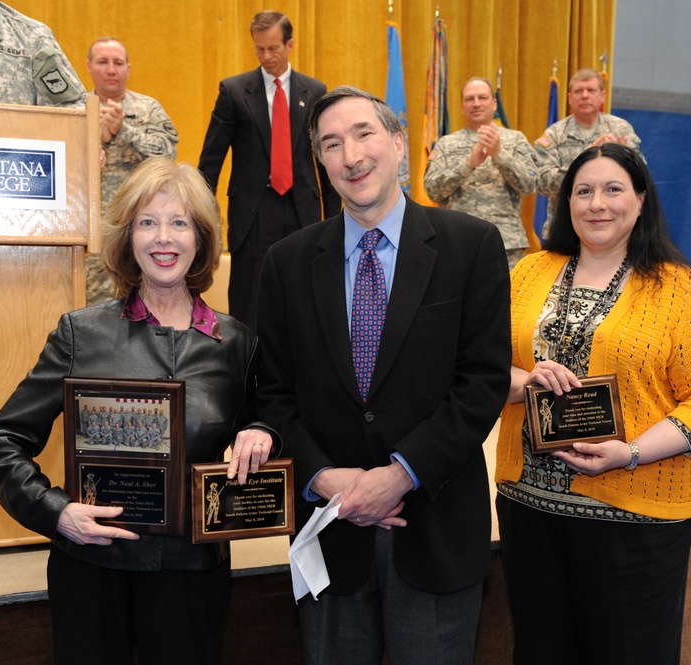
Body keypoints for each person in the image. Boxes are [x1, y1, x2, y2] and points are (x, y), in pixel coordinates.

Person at [0, 157, 277, 664]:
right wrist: (57, 513)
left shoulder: (237, 342)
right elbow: (2, 441)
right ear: (128, 238)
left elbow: (269, 417)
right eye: (148, 222)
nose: (164, 238)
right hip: (93, 567)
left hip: (192, 572)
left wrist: (264, 429)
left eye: (180, 223)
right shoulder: (81, 333)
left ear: (201, 239)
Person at [256, 86, 511, 664]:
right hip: (330, 533)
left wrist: (398, 475)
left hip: (434, 527)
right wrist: (324, 480)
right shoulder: (287, 262)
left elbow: (483, 384)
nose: (351, 155)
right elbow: (271, 393)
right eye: (331, 144)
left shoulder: (470, 246)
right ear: (321, 164)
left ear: (398, 144)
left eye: (364, 133)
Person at [495, 143, 691, 664]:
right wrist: (521, 381)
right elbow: (473, 363)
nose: (597, 204)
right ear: (566, 203)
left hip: (633, 520)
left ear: (640, 199)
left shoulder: (679, 289)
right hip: (530, 511)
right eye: (583, 191)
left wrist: (631, 452)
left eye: (613, 189)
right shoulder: (528, 273)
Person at [198, 9, 341, 328]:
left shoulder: (315, 91)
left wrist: (334, 222)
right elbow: (211, 161)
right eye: (259, 48)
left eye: (273, 48)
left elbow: (327, 159)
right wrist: (203, 219)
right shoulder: (234, 91)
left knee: (304, 302)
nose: (266, 56)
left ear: (290, 45)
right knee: (249, 306)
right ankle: (247, 375)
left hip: (302, 211)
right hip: (253, 215)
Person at [85, 36, 180, 305]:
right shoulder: (73, 110)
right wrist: (98, 141)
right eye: (103, 62)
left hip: (141, 228)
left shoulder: (148, 109)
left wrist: (123, 130)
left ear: (128, 68)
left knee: (143, 306)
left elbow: (168, 154)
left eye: (118, 63)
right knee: (94, 309)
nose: (111, 70)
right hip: (93, 231)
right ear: (89, 66)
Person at [423, 76, 538, 269]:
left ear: (494, 104)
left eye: (482, 98)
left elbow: (530, 185)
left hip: (505, 244)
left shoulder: (516, 140)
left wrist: (499, 155)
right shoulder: (446, 144)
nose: (476, 103)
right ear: (461, 107)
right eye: (470, 99)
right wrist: (468, 164)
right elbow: (432, 190)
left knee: (506, 300)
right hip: (457, 243)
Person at [532, 68, 642, 238]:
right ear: (569, 98)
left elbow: (641, 177)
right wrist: (583, 161)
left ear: (602, 95)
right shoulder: (554, 134)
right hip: (566, 229)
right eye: (578, 91)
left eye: (591, 90)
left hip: (614, 228)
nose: (584, 96)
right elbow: (542, 182)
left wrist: (623, 161)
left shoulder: (621, 129)